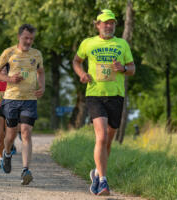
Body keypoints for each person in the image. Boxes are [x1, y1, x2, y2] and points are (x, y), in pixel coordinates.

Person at [73, 9, 135, 196]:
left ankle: (97, 173)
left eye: (112, 23)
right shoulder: (88, 43)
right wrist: (82, 74)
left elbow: (132, 68)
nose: (108, 26)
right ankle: (103, 181)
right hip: (95, 95)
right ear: (97, 24)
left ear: (115, 25)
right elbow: (76, 61)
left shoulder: (122, 44)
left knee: (108, 141)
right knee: (100, 137)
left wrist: (123, 68)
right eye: (105, 22)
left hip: (116, 96)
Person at [0, 24, 45, 185]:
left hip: (30, 99)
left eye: (31, 39)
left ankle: (25, 170)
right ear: (19, 37)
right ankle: (7, 154)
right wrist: (9, 79)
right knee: (10, 135)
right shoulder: (8, 53)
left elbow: (40, 72)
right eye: (25, 38)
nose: (28, 41)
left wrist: (42, 87)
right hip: (11, 99)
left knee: (26, 133)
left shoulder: (36, 54)